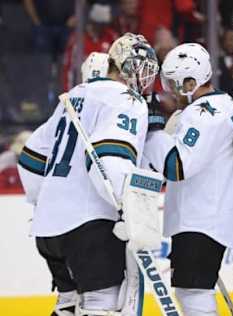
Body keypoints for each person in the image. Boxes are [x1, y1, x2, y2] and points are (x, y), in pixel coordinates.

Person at [17, 33, 158, 315]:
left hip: (48, 229)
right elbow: (108, 159)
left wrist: (43, 200)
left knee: (68, 305)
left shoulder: (72, 97)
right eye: (139, 68)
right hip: (90, 225)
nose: (143, 77)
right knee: (100, 306)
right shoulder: (128, 101)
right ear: (122, 67)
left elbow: (31, 158)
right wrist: (129, 208)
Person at [141, 43, 233, 316]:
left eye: (175, 84)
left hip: (202, 218)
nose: (171, 92)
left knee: (194, 294)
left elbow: (177, 166)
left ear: (191, 82)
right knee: (193, 293)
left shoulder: (204, 115)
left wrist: (153, 131)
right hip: (207, 215)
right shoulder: (221, 104)